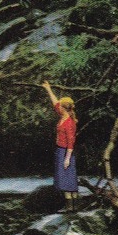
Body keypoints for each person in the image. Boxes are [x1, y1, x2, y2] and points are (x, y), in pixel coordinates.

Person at [41, 80, 79, 212]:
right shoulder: (63, 115)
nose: (58, 107)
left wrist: (67, 158)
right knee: (69, 177)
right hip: (61, 150)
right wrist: (48, 89)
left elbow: (71, 142)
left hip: (66, 151)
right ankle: (73, 205)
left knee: (66, 177)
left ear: (64, 108)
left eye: (60, 106)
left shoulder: (69, 122)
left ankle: (70, 207)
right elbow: (55, 102)